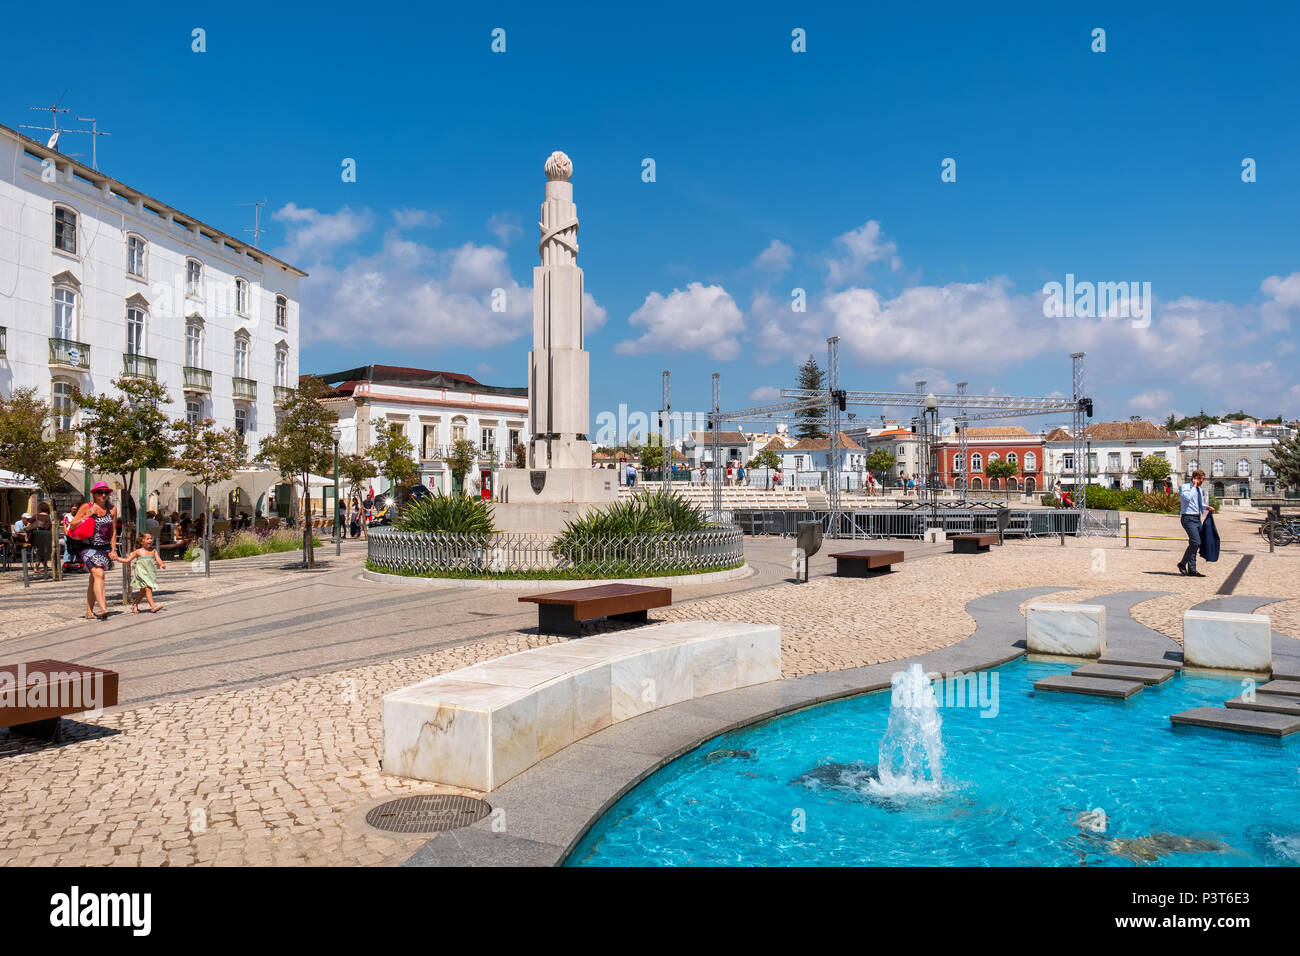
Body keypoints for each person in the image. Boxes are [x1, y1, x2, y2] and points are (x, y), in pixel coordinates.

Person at [71, 482, 121, 620]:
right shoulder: (87, 506)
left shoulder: (112, 510)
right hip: (87, 547)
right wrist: (87, 515)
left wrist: (113, 549)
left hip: (104, 548)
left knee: (94, 579)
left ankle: (89, 611)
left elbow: (113, 531)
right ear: (94, 494)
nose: (103, 495)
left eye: (106, 492)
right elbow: (73, 525)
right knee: (99, 574)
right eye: (100, 492)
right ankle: (103, 608)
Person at [119, 532, 167, 613]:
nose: (150, 540)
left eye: (151, 538)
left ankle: (134, 605)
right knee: (148, 589)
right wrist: (117, 558)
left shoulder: (153, 551)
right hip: (141, 573)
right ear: (141, 541)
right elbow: (127, 560)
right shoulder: (138, 551)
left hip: (150, 573)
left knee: (142, 592)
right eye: (147, 539)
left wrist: (162, 564)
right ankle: (153, 607)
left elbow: (158, 559)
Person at [1178, 468, 1213, 577]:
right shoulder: (1184, 487)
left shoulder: (1198, 490)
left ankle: (1192, 570)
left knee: (1195, 544)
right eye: (1201, 479)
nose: (1202, 481)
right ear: (1195, 478)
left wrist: (1206, 507)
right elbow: (1187, 498)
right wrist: (1193, 486)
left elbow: (1197, 503)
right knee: (1195, 542)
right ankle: (1182, 564)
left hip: (1197, 518)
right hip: (1187, 518)